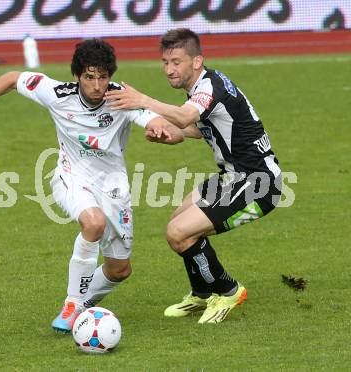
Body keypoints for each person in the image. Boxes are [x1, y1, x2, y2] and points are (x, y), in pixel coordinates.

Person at [0, 39, 182, 332]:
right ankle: (72, 305)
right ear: (77, 75)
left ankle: (82, 302)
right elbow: (12, 78)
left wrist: (162, 133)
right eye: (90, 77)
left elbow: (170, 129)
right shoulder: (56, 93)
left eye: (103, 76)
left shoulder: (122, 99)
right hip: (71, 178)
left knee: (119, 270)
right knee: (93, 222)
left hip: (113, 187)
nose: (97, 85)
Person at [105, 28, 282, 324]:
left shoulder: (209, 87)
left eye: (176, 61)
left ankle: (228, 290)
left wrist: (143, 100)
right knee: (177, 223)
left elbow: (187, 116)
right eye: (165, 62)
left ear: (196, 61)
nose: (169, 69)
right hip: (234, 177)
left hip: (258, 184)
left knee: (180, 233)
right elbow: (199, 128)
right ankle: (201, 293)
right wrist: (168, 134)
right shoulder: (204, 84)